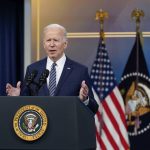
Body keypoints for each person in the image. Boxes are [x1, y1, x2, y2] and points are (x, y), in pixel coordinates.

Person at [6, 24, 98, 114]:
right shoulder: (33, 69)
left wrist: (85, 99)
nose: (52, 44)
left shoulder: (80, 71)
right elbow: (26, 103)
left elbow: (94, 108)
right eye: (48, 40)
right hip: (40, 127)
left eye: (56, 40)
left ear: (65, 44)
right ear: (44, 44)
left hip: (68, 126)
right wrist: (18, 97)